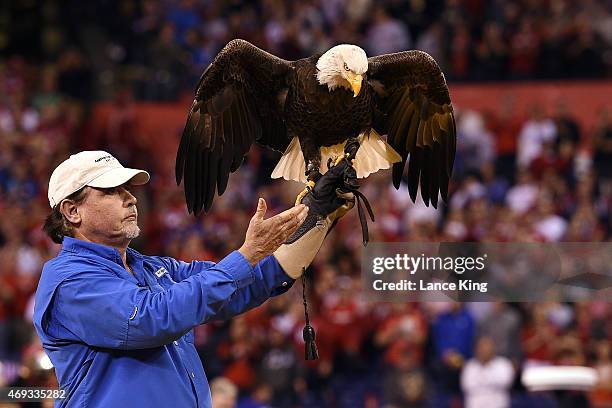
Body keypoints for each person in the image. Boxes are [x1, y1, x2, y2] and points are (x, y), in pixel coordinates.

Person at [33, 150, 354, 407]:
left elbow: (252, 282)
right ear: (73, 211)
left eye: (127, 189)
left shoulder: (152, 269)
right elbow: (149, 318)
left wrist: (318, 217)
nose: (129, 198)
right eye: (110, 192)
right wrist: (247, 254)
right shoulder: (68, 281)